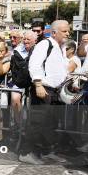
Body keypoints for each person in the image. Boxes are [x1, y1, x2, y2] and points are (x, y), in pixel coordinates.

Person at [23, 20, 70, 165]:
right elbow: (34, 64)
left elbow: (59, 69)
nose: (68, 34)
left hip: (56, 91)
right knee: (37, 123)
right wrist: (38, 84)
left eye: (68, 31)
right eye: (65, 31)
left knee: (51, 124)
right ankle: (27, 153)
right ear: (54, 32)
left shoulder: (60, 47)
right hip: (44, 89)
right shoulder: (45, 44)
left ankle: (47, 152)